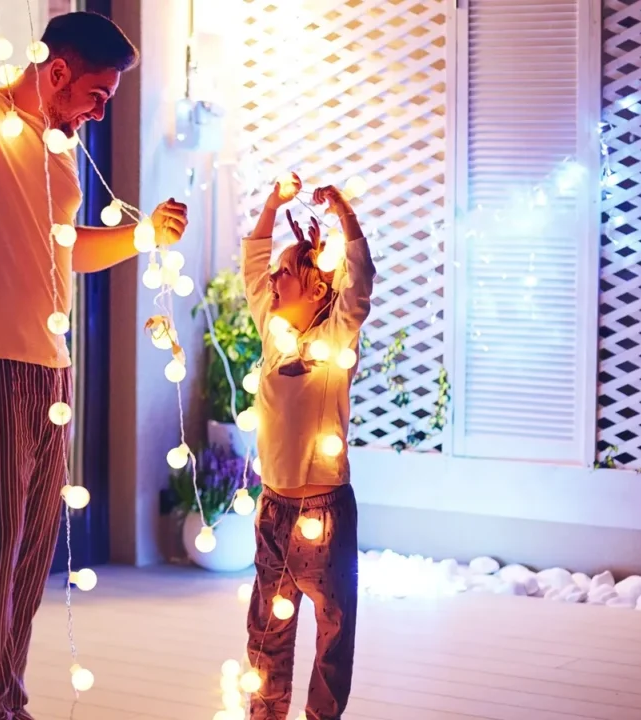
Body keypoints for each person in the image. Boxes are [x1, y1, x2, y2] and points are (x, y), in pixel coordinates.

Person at [0, 5, 188, 718]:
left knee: (31, 556)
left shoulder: (56, 150)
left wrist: (142, 235)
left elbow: (68, 249)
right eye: (97, 94)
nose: (98, 113)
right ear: (58, 70)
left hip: (49, 368)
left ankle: (6, 699)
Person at [238, 173, 375, 719]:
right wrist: (272, 202)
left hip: (325, 513)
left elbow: (360, 280)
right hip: (275, 511)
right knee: (267, 631)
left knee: (332, 635)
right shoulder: (272, 334)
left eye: (286, 272)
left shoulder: (335, 337)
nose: (273, 280)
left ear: (317, 288)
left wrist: (343, 214)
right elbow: (253, 266)